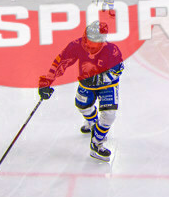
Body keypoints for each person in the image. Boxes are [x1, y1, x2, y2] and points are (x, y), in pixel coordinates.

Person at [38, 21, 125, 161]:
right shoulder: (76, 45)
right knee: (82, 106)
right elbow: (61, 61)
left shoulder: (111, 50)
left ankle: (97, 144)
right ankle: (93, 122)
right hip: (86, 84)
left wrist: (100, 78)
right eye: (88, 39)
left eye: (94, 42)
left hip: (108, 86)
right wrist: (46, 81)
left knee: (109, 115)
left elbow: (118, 69)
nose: (89, 45)